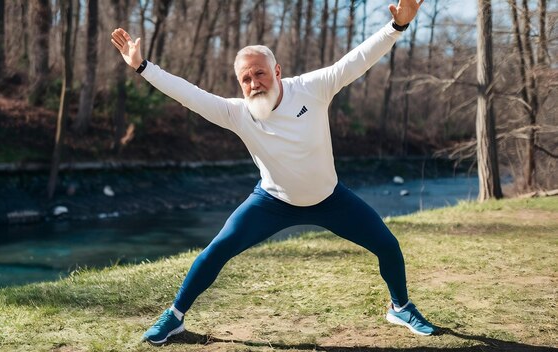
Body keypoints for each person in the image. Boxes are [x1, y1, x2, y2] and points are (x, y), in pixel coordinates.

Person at [111, 0, 435, 345]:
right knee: (215, 251)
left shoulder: (312, 88)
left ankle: (400, 307)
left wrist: (396, 27)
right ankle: (174, 317)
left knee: (387, 245)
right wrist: (143, 67)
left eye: (259, 73)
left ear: (277, 71)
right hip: (272, 201)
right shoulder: (237, 113)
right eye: (245, 78)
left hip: (330, 198)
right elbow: (189, 94)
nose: (253, 83)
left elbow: (356, 60)